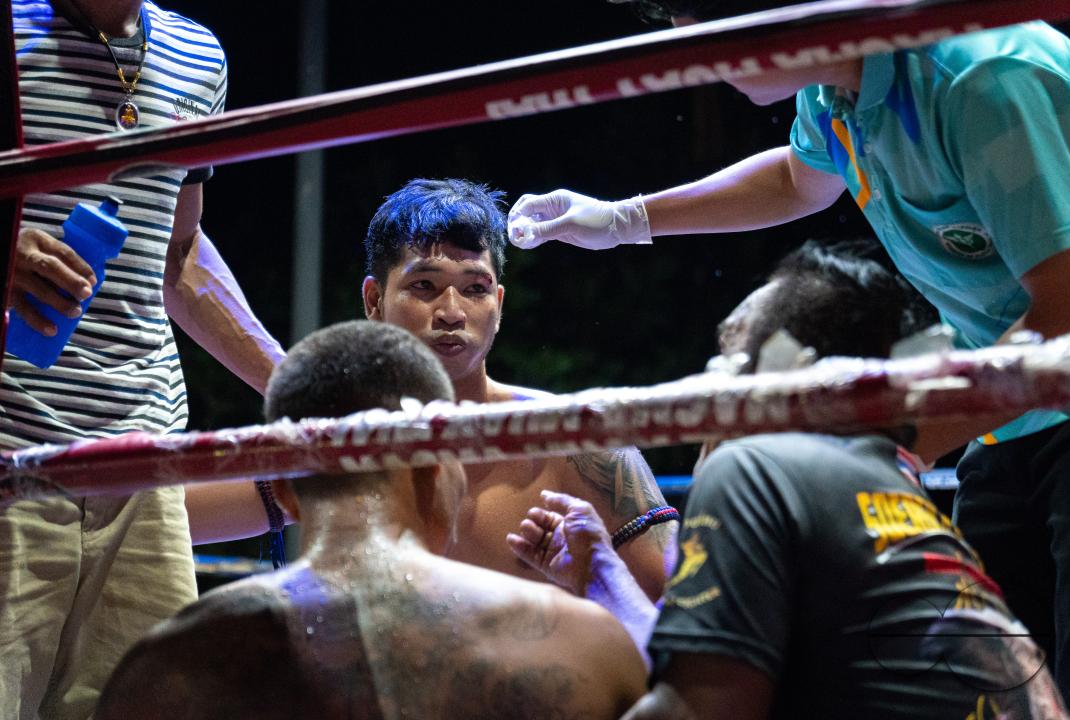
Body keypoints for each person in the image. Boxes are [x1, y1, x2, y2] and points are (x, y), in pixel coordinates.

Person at [509, 2, 1070, 708]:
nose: (707, 64)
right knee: (992, 691)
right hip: (1002, 414)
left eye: (718, 40)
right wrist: (624, 219)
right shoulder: (838, 91)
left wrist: (892, 445)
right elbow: (797, 178)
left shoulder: (982, 76)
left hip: (1047, 388)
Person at [509, 242, 1070, 719]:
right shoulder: (885, 484)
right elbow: (719, 665)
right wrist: (604, 576)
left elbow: (702, 706)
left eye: (732, 349)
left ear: (785, 373)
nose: (710, 376)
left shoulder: (756, 468)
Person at [95, 320, 646, 720]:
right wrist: (607, 583)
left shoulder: (168, 663)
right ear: (436, 471)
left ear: (285, 493)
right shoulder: (577, 643)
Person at [2, 2, 285, 719]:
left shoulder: (198, 56)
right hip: (8, 457)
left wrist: (297, 382)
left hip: (142, 468)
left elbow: (177, 252)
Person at [361, 177, 676, 600]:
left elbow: (684, 610)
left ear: (500, 303)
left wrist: (602, 582)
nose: (452, 312)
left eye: (475, 288)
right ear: (374, 301)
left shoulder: (576, 438)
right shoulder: (331, 443)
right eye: (425, 286)